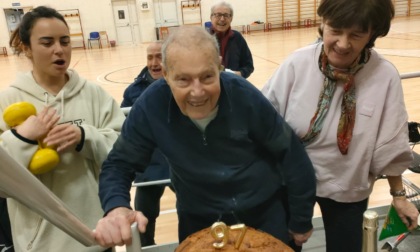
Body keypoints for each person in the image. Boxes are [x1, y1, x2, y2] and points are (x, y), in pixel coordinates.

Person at [94, 26, 316, 249]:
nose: (197, 91)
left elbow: (291, 154)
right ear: (166, 74)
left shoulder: (245, 97)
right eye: (183, 80)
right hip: (199, 222)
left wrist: (300, 218)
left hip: (264, 215)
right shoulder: (151, 106)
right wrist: (116, 207)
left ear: (219, 66)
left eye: (207, 77)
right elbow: (119, 164)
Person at [261, 0, 419, 251]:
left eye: (356, 35)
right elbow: (263, 123)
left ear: (372, 35)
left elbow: (390, 145)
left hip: (347, 187)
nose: (343, 44)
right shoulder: (297, 64)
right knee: (281, 247)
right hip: (290, 182)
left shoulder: (384, 76)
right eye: (335, 30)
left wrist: (399, 196)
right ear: (323, 24)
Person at [0, 6, 125, 252]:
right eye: (47, 43)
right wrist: (21, 138)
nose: (59, 50)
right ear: (26, 48)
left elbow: (123, 151)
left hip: (96, 237)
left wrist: (85, 137)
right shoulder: (8, 100)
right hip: (40, 245)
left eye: (64, 41)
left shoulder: (94, 95)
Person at [121, 41, 173, 246]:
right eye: (150, 57)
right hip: (149, 166)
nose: (154, 63)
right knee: (143, 219)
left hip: (178, 163)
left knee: (195, 210)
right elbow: (123, 126)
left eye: (159, 57)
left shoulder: (181, 84)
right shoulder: (133, 91)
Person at [209, 1, 254, 78]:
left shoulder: (237, 38)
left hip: (233, 85)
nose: (222, 19)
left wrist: (240, 74)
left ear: (231, 18)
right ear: (211, 17)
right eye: (218, 15)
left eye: (226, 15)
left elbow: (248, 66)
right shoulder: (203, 38)